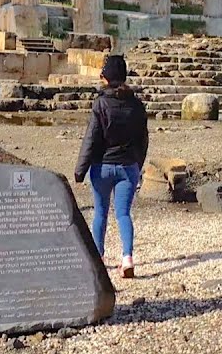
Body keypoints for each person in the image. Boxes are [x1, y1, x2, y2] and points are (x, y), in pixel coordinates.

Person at [74, 54, 149, 278]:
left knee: (100, 213)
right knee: (123, 214)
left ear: (106, 78)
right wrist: (138, 164)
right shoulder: (136, 105)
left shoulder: (101, 104)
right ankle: (127, 258)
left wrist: (80, 170)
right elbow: (143, 139)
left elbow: (91, 138)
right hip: (128, 167)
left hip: (102, 167)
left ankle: (98, 259)